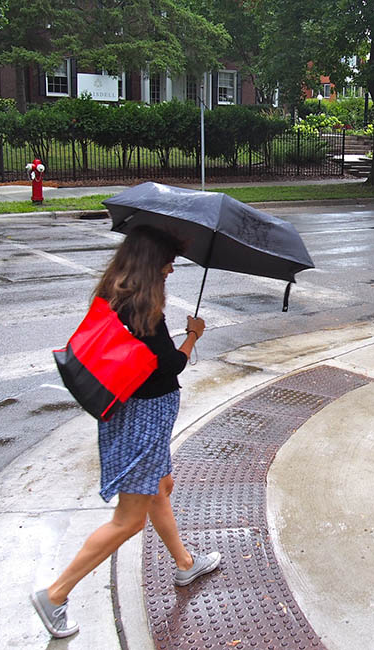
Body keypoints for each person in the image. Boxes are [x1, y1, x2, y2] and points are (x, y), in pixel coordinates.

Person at [31, 225, 221, 639]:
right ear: (152, 263)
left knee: (161, 486)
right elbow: (169, 365)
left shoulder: (117, 293)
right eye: (168, 262)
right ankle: (55, 594)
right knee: (129, 520)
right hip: (143, 420)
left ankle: (185, 565)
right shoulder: (143, 308)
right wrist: (193, 335)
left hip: (132, 413)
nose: (171, 269)